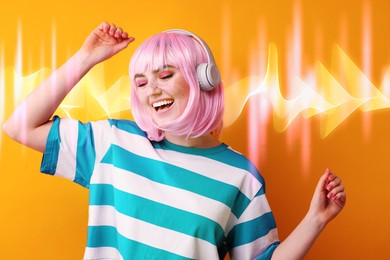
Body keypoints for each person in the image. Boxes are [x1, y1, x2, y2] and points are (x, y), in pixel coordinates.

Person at [2, 22, 346, 260]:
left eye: (165, 75)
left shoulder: (241, 176)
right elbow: (20, 126)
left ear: (205, 80)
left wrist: (315, 219)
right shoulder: (113, 142)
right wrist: (86, 58)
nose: (152, 89)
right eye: (140, 82)